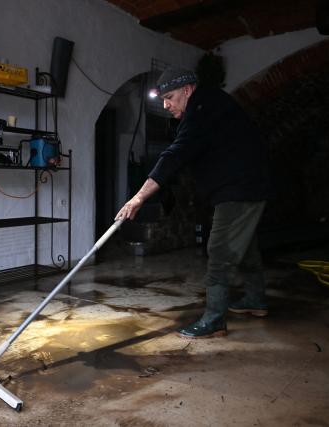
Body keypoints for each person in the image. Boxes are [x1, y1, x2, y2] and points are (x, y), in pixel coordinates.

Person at [115, 67, 272, 339]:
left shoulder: (201, 110)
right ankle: (255, 300)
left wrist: (139, 196)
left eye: (171, 97)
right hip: (246, 185)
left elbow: (175, 154)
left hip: (239, 190)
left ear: (187, 90)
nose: (166, 105)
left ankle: (214, 320)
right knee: (245, 246)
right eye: (163, 100)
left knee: (220, 251)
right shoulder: (210, 103)